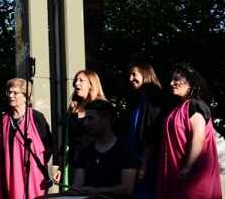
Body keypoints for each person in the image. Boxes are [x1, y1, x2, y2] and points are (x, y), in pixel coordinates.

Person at [156, 64, 221, 199]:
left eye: (176, 79)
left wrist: (188, 167)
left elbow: (198, 138)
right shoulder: (178, 108)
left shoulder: (195, 105)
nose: (171, 83)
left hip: (193, 179)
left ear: (190, 82)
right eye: (171, 79)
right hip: (177, 176)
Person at [0, 78, 53, 199]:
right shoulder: (3, 119)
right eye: (9, 92)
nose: (11, 95)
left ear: (26, 96)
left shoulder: (37, 118)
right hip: (8, 176)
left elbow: (48, 145)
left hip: (32, 176)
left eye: (15, 93)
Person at [69, 99, 139, 199]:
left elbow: (127, 188)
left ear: (105, 119)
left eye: (91, 118)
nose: (85, 123)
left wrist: (98, 191)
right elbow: (77, 187)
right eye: (86, 119)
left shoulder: (125, 151)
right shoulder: (85, 152)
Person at [57, 69, 106, 186]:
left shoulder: (102, 107)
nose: (76, 84)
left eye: (81, 80)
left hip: (96, 163)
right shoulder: (73, 109)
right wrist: (61, 167)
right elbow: (67, 141)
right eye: (75, 81)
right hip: (75, 163)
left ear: (91, 84)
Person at [124, 62, 163, 199]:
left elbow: (153, 133)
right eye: (129, 75)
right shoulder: (139, 98)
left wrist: (144, 164)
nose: (130, 79)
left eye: (134, 74)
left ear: (145, 74)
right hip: (136, 160)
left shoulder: (154, 98)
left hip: (148, 162)